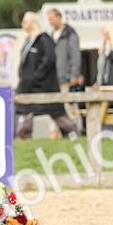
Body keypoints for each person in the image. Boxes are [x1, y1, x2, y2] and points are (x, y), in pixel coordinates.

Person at [15, 11, 79, 140]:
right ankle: (24, 138)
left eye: (25, 22)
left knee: (57, 113)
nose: (22, 24)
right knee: (26, 111)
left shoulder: (43, 39)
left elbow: (49, 59)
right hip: (29, 86)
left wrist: (37, 76)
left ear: (32, 24)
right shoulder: (29, 41)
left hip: (44, 85)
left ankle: (73, 134)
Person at [47, 8, 84, 138]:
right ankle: (55, 132)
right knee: (54, 106)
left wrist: (74, 74)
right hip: (54, 77)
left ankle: (74, 130)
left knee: (68, 106)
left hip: (66, 77)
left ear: (59, 17)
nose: (50, 21)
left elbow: (75, 56)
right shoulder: (52, 35)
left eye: (51, 18)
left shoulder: (69, 34)